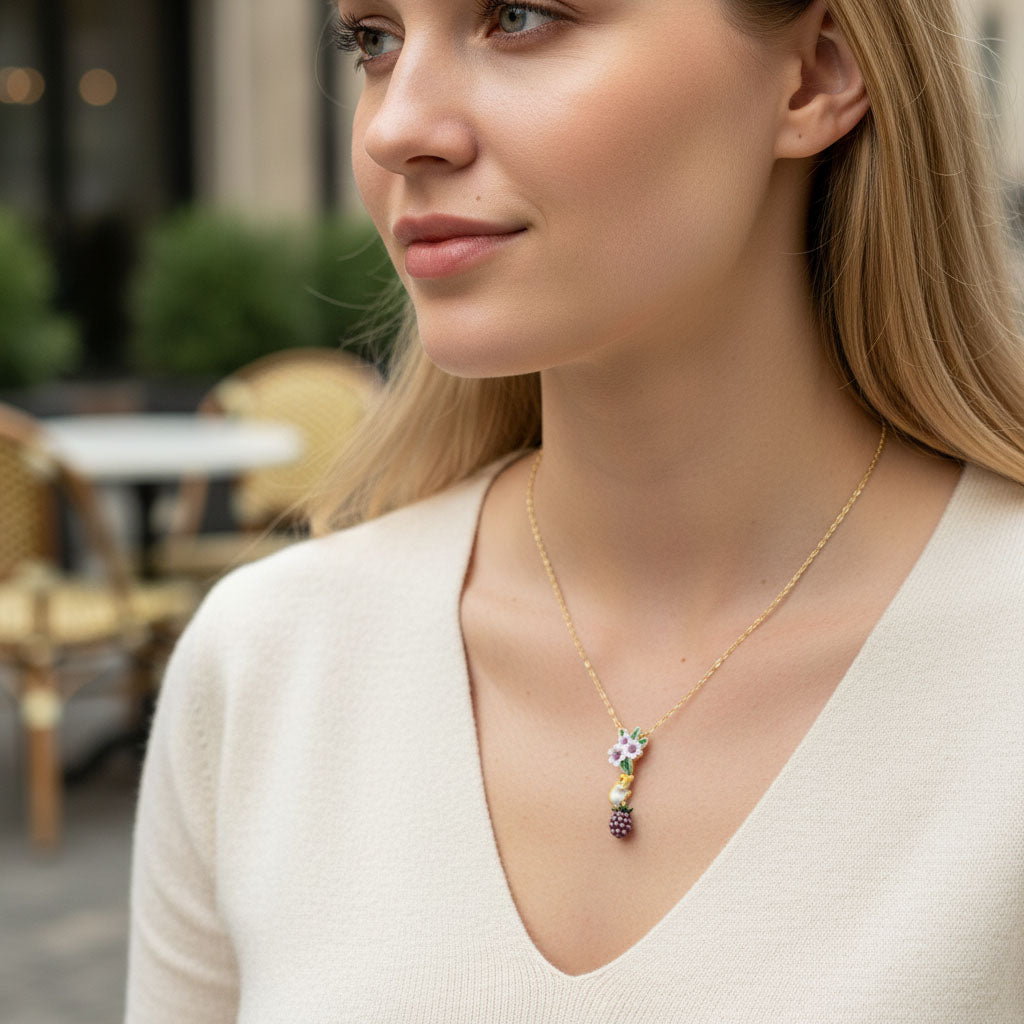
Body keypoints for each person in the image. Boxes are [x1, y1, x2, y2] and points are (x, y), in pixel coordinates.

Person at [124, 0, 1024, 1019]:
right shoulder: (272, 665)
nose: (393, 128)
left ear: (813, 74)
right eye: (373, 41)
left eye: (518, 17)